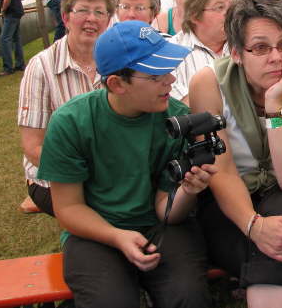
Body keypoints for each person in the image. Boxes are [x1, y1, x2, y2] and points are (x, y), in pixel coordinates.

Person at [37, 20, 215, 308]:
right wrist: (116, 237)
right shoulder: (71, 123)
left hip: (161, 227)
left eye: (169, 69)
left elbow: (166, 210)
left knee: (188, 297)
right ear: (117, 84)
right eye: (156, 75)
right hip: (93, 233)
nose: (171, 79)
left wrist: (188, 191)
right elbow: (68, 209)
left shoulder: (177, 121)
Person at [190, 0, 282, 308]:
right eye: (259, 47)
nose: (276, 57)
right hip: (230, 201)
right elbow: (221, 171)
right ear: (236, 53)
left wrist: (275, 107)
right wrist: (253, 225)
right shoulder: (208, 84)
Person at [18, 0, 115, 216]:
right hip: (56, 178)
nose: (91, 19)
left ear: (108, 20)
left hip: (113, 172)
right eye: (82, 10)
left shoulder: (118, 62)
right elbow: (33, 147)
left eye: (99, 12)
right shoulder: (41, 67)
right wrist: (90, 175)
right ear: (65, 18)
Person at [169, 0, 233, 105]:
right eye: (220, 7)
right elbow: (181, 106)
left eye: (232, 7)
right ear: (195, 16)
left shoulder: (245, 45)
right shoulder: (171, 52)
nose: (230, 13)